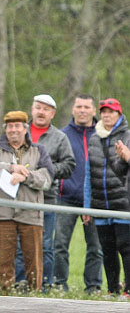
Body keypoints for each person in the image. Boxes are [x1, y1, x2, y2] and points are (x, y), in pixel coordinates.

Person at [0, 111, 53, 293]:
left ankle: (34, 296)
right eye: (10, 126)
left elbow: (48, 179)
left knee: (34, 260)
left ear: (25, 128)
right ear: (5, 130)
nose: (14, 130)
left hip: (31, 214)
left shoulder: (39, 151)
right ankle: (5, 296)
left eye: (17, 126)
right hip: (2, 214)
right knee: (4, 261)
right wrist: (10, 168)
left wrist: (25, 176)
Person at [13, 94, 75, 290]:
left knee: (46, 244)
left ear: (53, 114)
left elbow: (69, 165)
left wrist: (45, 171)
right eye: (38, 107)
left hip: (46, 197)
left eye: (46, 109)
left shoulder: (59, 137)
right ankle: (21, 282)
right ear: (32, 109)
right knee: (20, 244)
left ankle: (44, 283)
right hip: (19, 196)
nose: (41, 112)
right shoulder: (19, 131)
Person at [56, 95, 103, 293]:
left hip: (94, 200)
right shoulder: (62, 135)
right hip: (65, 198)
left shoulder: (102, 135)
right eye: (78, 106)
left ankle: (93, 285)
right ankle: (59, 283)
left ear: (94, 111)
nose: (82, 110)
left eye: (86, 107)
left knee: (96, 247)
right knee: (59, 244)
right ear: (73, 109)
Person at [84, 98, 130, 297]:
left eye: (111, 112)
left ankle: (128, 289)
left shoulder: (127, 136)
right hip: (100, 202)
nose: (106, 115)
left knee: (126, 247)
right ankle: (112, 289)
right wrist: (87, 206)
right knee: (107, 249)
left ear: (119, 115)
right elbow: (88, 173)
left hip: (123, 201)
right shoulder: (95, 138)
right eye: (103, 111)